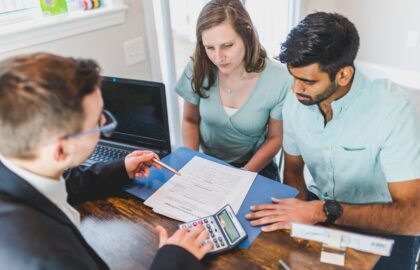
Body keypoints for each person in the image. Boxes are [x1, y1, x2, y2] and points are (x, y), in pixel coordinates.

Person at [0, 53, 211, 269]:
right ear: (60, 150)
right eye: (98, 123)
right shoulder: (47, 256)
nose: (104, 124)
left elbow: (70, 181)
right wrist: (174, 258)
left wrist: (121, 168)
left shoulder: (21, 164)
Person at [245, 12, 420, 270]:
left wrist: (320, 212)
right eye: (293, 77)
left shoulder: (394, 111)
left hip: (385, 222)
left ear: (344, 75)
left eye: (308, 81)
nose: (295, 89)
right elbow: (293, 170)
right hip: (320, 212)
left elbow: (413, 217)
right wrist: (299, 226)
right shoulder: (296, 103)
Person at [175, 0, 291, 180]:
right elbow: (190, 120)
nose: (218, 57)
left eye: (227, 45)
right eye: (210, 48)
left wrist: (243, 175)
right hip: (205, 163)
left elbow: (275, 138)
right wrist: (192, 161)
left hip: (255, 166)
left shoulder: (280, 79)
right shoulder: (197, 67)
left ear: (247, 34)